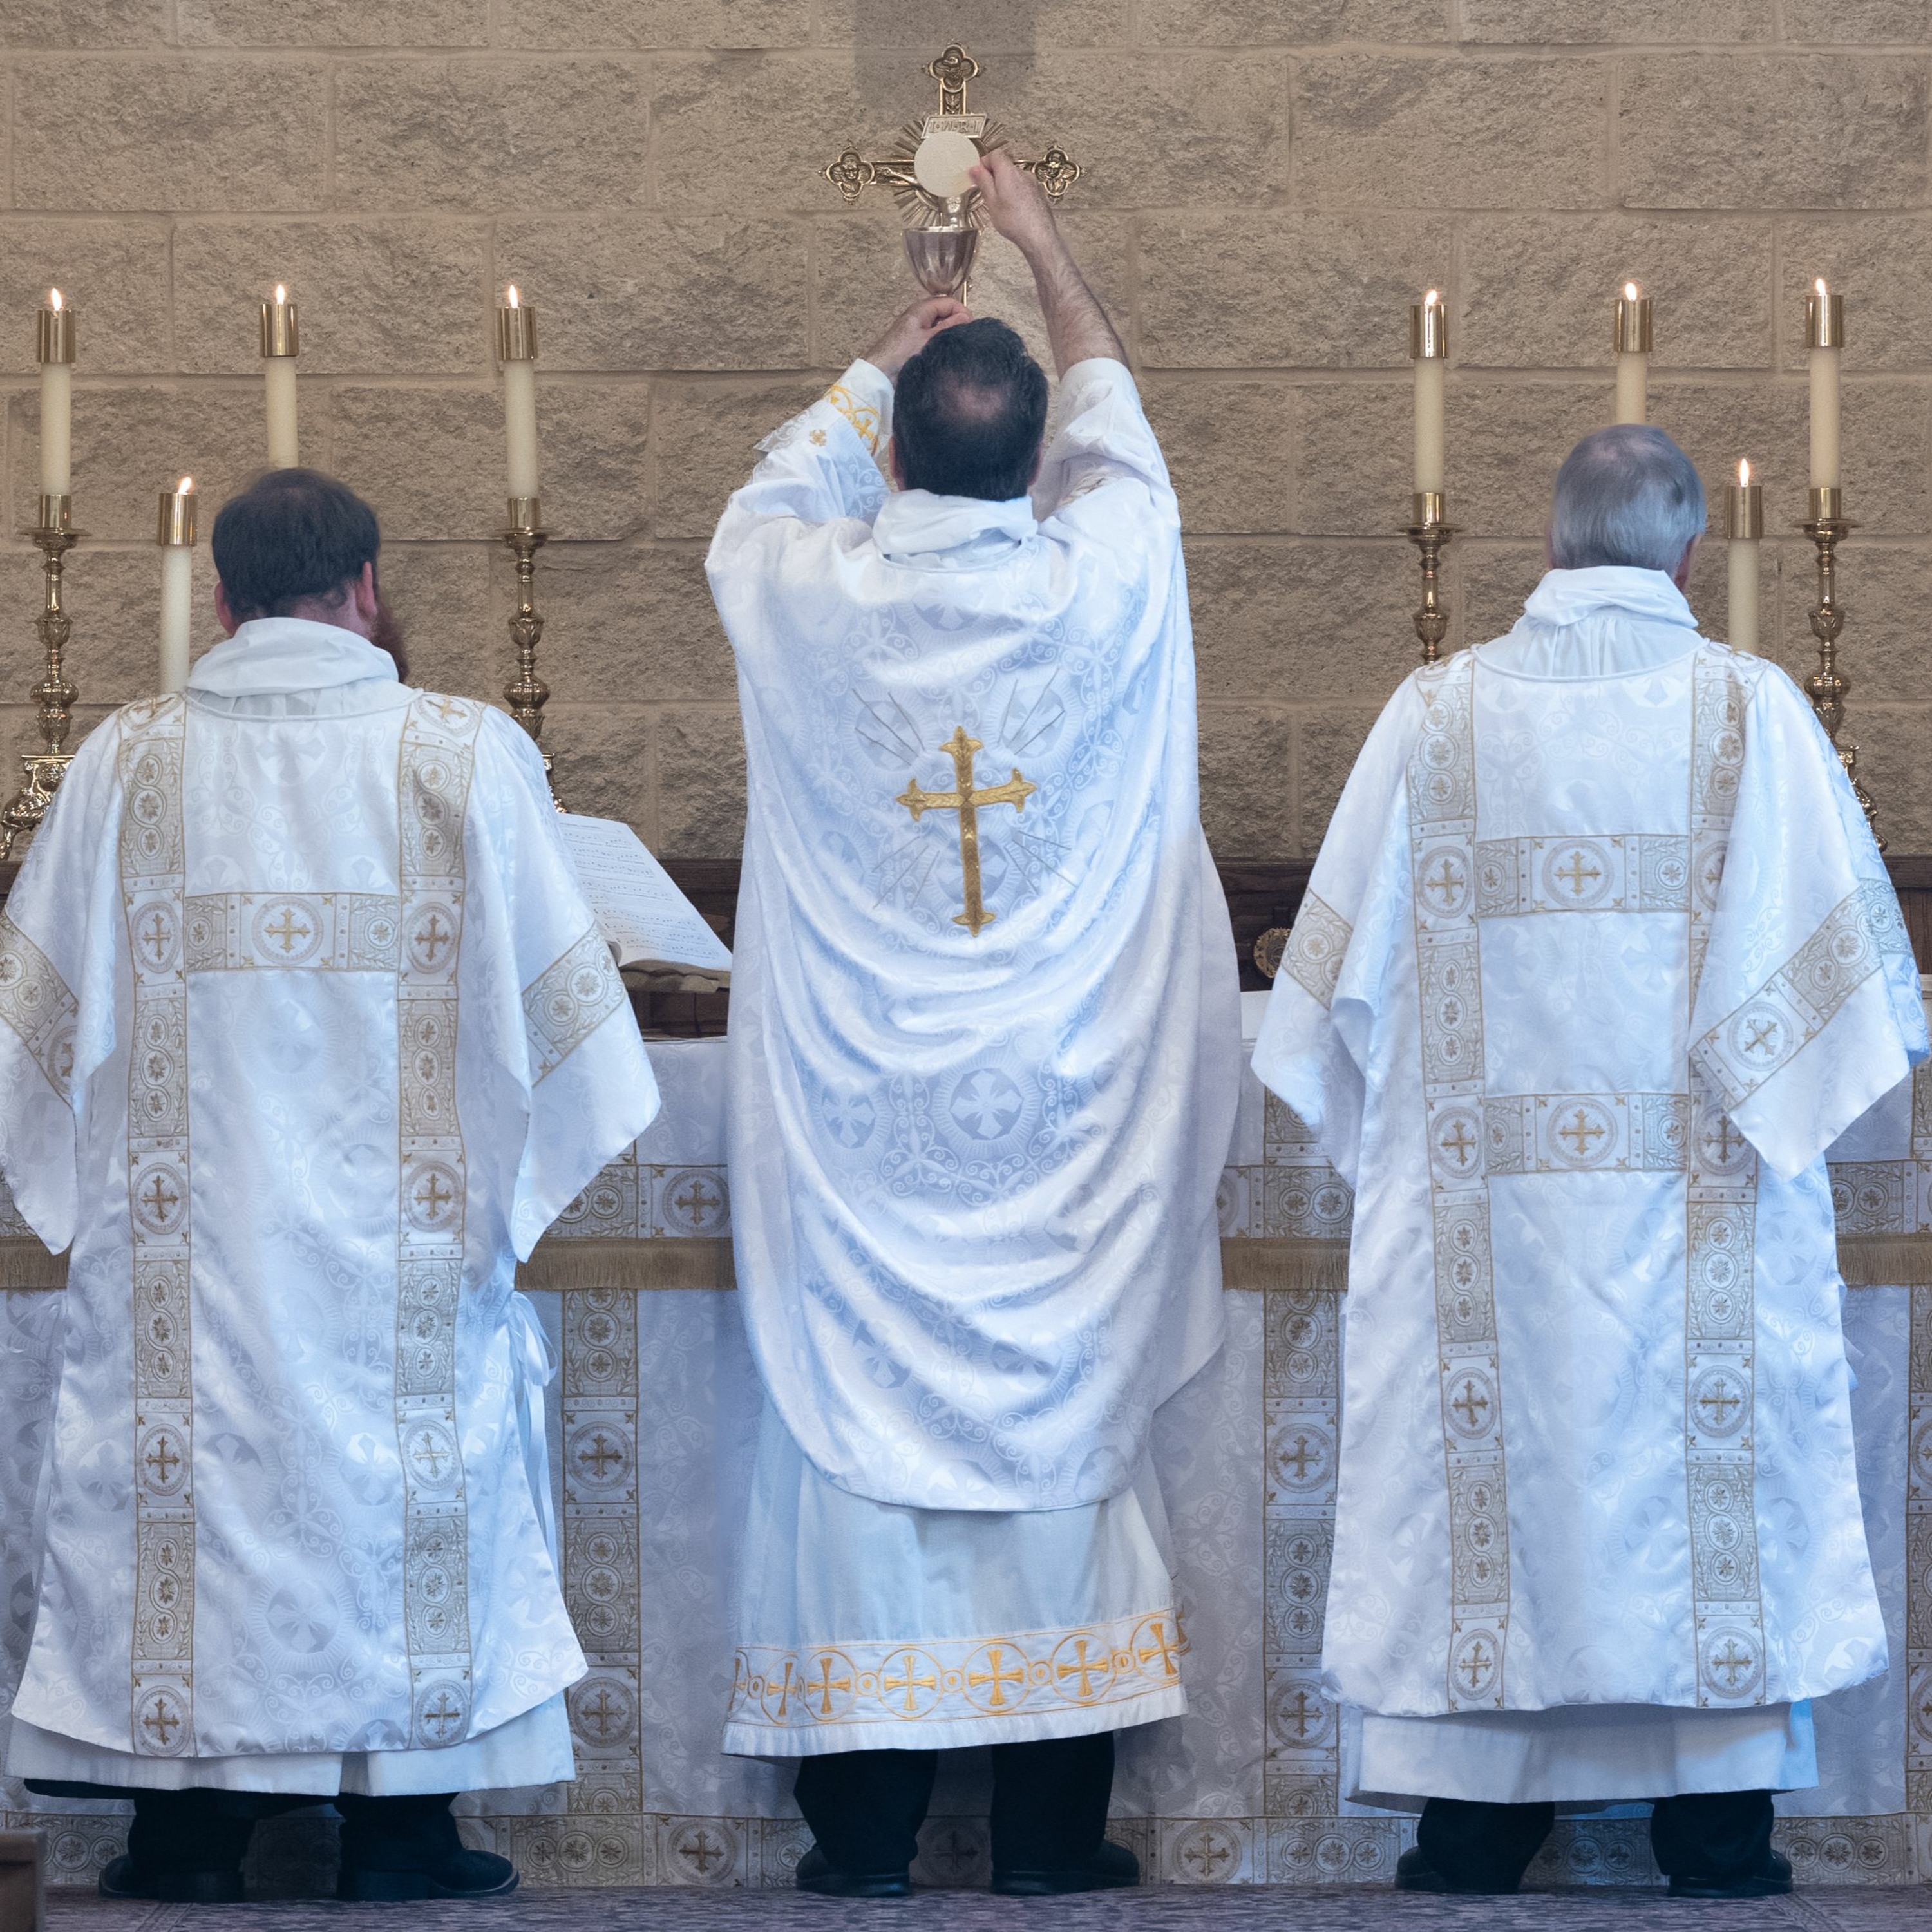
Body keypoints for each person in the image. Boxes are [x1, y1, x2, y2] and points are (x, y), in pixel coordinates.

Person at [1253, 424, 1927, 1899]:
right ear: (1689, 557)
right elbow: (1840, 1003)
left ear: (1550, 547)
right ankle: (1714, 1832)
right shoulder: (1753, 711)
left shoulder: (1434, 716)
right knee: (1703, 1484)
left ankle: (1474, 1829)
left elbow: (1325, 1012)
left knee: (1493, 1492)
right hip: (1703, 1220)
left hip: (1481, 1239)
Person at [0, 468, 659, 1902]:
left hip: (194, 1269)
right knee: (398, 1496)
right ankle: (402, 1836)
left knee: (197, 1491)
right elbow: (572, 1032)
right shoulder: (462, 753)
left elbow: (35, 1027)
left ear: (220, 602)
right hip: (400, 1267)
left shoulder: (126, 763)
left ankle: (186, 1839)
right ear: (365, 588)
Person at [704, 149, 1240, 1896]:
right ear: (1033, 463)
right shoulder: (1107, 579)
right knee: (1050, 1436)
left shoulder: (806, 589)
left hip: (867, 1128)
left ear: (897, 451)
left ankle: (861, 1839)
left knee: (865, 1443)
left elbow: (761, 496)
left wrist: (895, 335)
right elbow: (1122, 429)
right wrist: (1042, 248)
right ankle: (1047, 1838)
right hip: (1058, 1118)